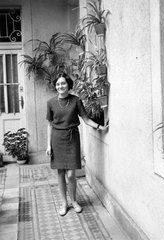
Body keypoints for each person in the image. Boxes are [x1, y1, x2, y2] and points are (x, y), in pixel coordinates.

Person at [46, 72, 108, 216]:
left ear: (68, 85)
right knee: (60, 173)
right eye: (58, 84)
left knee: (71, 174)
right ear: (55, 86)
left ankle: (74, 201)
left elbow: (86, 119)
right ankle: (63, 203)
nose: (60, 86)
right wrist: (48, 145)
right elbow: (49, 124)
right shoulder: (50, 102)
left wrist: (100, 127)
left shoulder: (76, 100)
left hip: (72, 138)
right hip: (57, 139)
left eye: (63, 83)